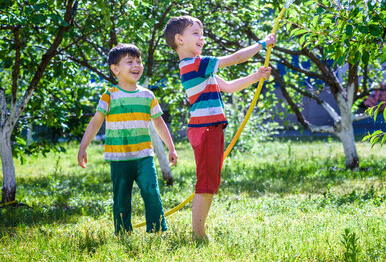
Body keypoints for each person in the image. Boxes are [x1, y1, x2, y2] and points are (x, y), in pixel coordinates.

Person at [163, 15, 275, 241]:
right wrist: (262, 44)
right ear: (179, 39)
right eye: (195, 33)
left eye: (201, 33)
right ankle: (198, 234)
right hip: (205, 130)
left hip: (211, 129)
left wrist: (256, 77)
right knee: (205, 184)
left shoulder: (201, 68)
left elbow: (230, 87)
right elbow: (235, 58)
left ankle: (199, 231)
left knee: (210, 182)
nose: (201, 37)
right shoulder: (194, 64)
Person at [77, 43, 178, 234]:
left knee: (152, 191)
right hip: (119, 158)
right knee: (122, 198)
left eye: (139, 61)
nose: (136, 65)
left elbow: (159, 123)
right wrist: (83, 147)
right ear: (115, 69)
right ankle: (123, 233)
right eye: (130, 62)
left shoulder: (148, 95)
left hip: (144, 157)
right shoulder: (109, 96)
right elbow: (95, 122)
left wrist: (171, 148)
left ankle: (157, 230)